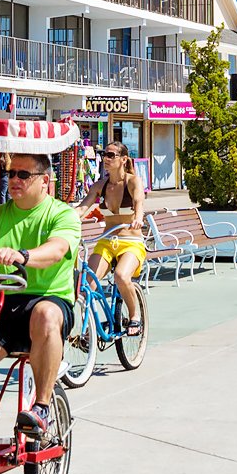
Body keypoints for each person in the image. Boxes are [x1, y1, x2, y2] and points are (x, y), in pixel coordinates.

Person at [0, 152, 84, 450]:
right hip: (4, 303)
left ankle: (42, 406)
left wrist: (24, 255)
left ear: (45, 181)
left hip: (49, 298)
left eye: (23, 175)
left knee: (45, 315)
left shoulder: (62, 214)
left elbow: (57, 249)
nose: (14, 180)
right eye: (11, 173)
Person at [75, 140, 148, 335]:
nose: (105, 159)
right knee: (85, 285)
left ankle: (135, 317)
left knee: (121, 276)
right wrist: (62, 218)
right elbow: (82, 208)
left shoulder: (133, 181)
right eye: (104, 154)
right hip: (107, 242)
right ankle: (89, 327)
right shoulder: (100, 185)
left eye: (111, 155)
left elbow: (139, 201)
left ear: (124, 159)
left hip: (131, 242)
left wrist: (138, 218)